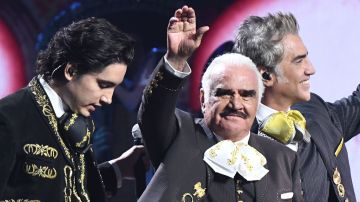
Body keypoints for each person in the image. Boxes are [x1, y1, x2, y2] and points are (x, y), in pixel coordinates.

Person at [137, 6, 303, 202]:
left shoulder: (282, 157)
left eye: (247, 95)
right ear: (203, 100)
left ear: (258, 101)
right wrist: (176, 59)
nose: (236, 104)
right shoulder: (179, 136)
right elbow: (154, 112)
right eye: (224, 93)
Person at [0, 17, 144, 201]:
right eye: (103, 84)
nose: (108, 99)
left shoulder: (76, 120)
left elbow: (67, 189)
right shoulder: (8, 118)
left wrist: (118, 169)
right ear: (71, 71)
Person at [233, 12, 360, 201]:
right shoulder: (233, 139)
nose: (311, 69)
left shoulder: (316, 110)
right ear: (266, 75)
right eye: (299, 61)